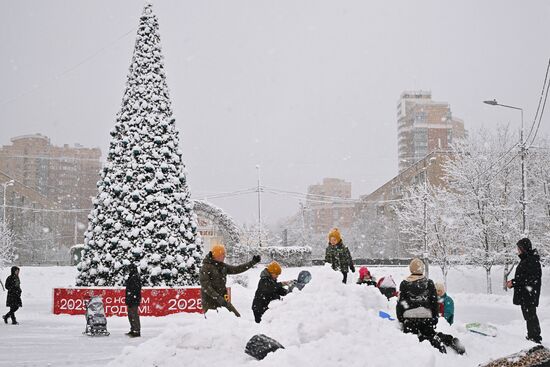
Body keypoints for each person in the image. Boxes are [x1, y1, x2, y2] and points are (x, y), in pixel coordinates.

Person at [396, 259, 464, 354]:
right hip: (426, 318)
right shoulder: (429, 283)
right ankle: (445, 340)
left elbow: (401, 303)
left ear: (411, 269)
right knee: (430, 333)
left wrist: (401, 319)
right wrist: (434, 318)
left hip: (409, 319)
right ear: (422, 269)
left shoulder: (404, 284)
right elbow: (434, 303)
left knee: (414, 338)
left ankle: (429, 340)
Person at [200, 244, 260, 317]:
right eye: (223, 254)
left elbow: (237, 269)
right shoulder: (205, 268)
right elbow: (205, 286)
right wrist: (217, 297)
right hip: (209, 301)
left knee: (236, 317)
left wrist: (252, 262)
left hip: (223, 298)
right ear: (217, 255)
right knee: (213, 323)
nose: (225, 256)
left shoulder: (222, 266)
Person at [506, 238, 542, 344]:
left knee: (530, 315)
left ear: (523, 248)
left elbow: (528, 278)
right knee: (529, 316)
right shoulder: (528, 259)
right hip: (527, 293)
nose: (517, 250)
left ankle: (534, 337)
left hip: (529, 294)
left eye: (519, 248)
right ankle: (532, 336)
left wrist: (513, 282)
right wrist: (514, 283)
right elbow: (524, 277)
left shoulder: (531, 260)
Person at [125, 264, 142, 337]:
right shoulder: (132, 276)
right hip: (131, 299)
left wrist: (132, 298)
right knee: (130, 315)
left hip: (133, 300)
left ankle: (136, 331)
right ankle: (133, 329)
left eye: (129, 269)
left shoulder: (135, 277)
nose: (128, 270)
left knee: (134, 315)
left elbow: (135, 290)